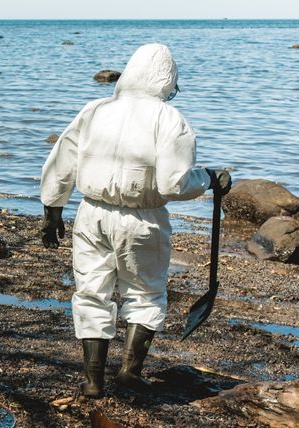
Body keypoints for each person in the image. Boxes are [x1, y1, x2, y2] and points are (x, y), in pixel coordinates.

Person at [39, 43, 231, 398]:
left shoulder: (96, 110)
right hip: (143, 220)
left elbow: (62, 158)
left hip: (91, 214)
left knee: (91, 292)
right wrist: (208, 177)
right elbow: (174, 183)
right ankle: (129, 372)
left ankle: (93, 381)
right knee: (145, 292)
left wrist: (53, 208)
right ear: (166, 80)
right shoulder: (169, 119)